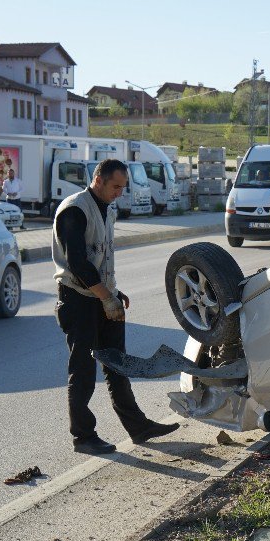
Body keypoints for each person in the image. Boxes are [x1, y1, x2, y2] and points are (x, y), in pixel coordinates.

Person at [53, 158, 179, 455]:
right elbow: (78, 264)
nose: (120, 193)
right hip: (78, 300)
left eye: (123, 187)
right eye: (116, 186)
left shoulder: (107, 208)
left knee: (117, 365)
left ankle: (138, 427)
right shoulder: (74, 209)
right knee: (83, 371)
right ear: (99, 179)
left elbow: (99, 258)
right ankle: (83, 437)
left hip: (101, 296)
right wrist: (106, 297)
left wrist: (113, 292)